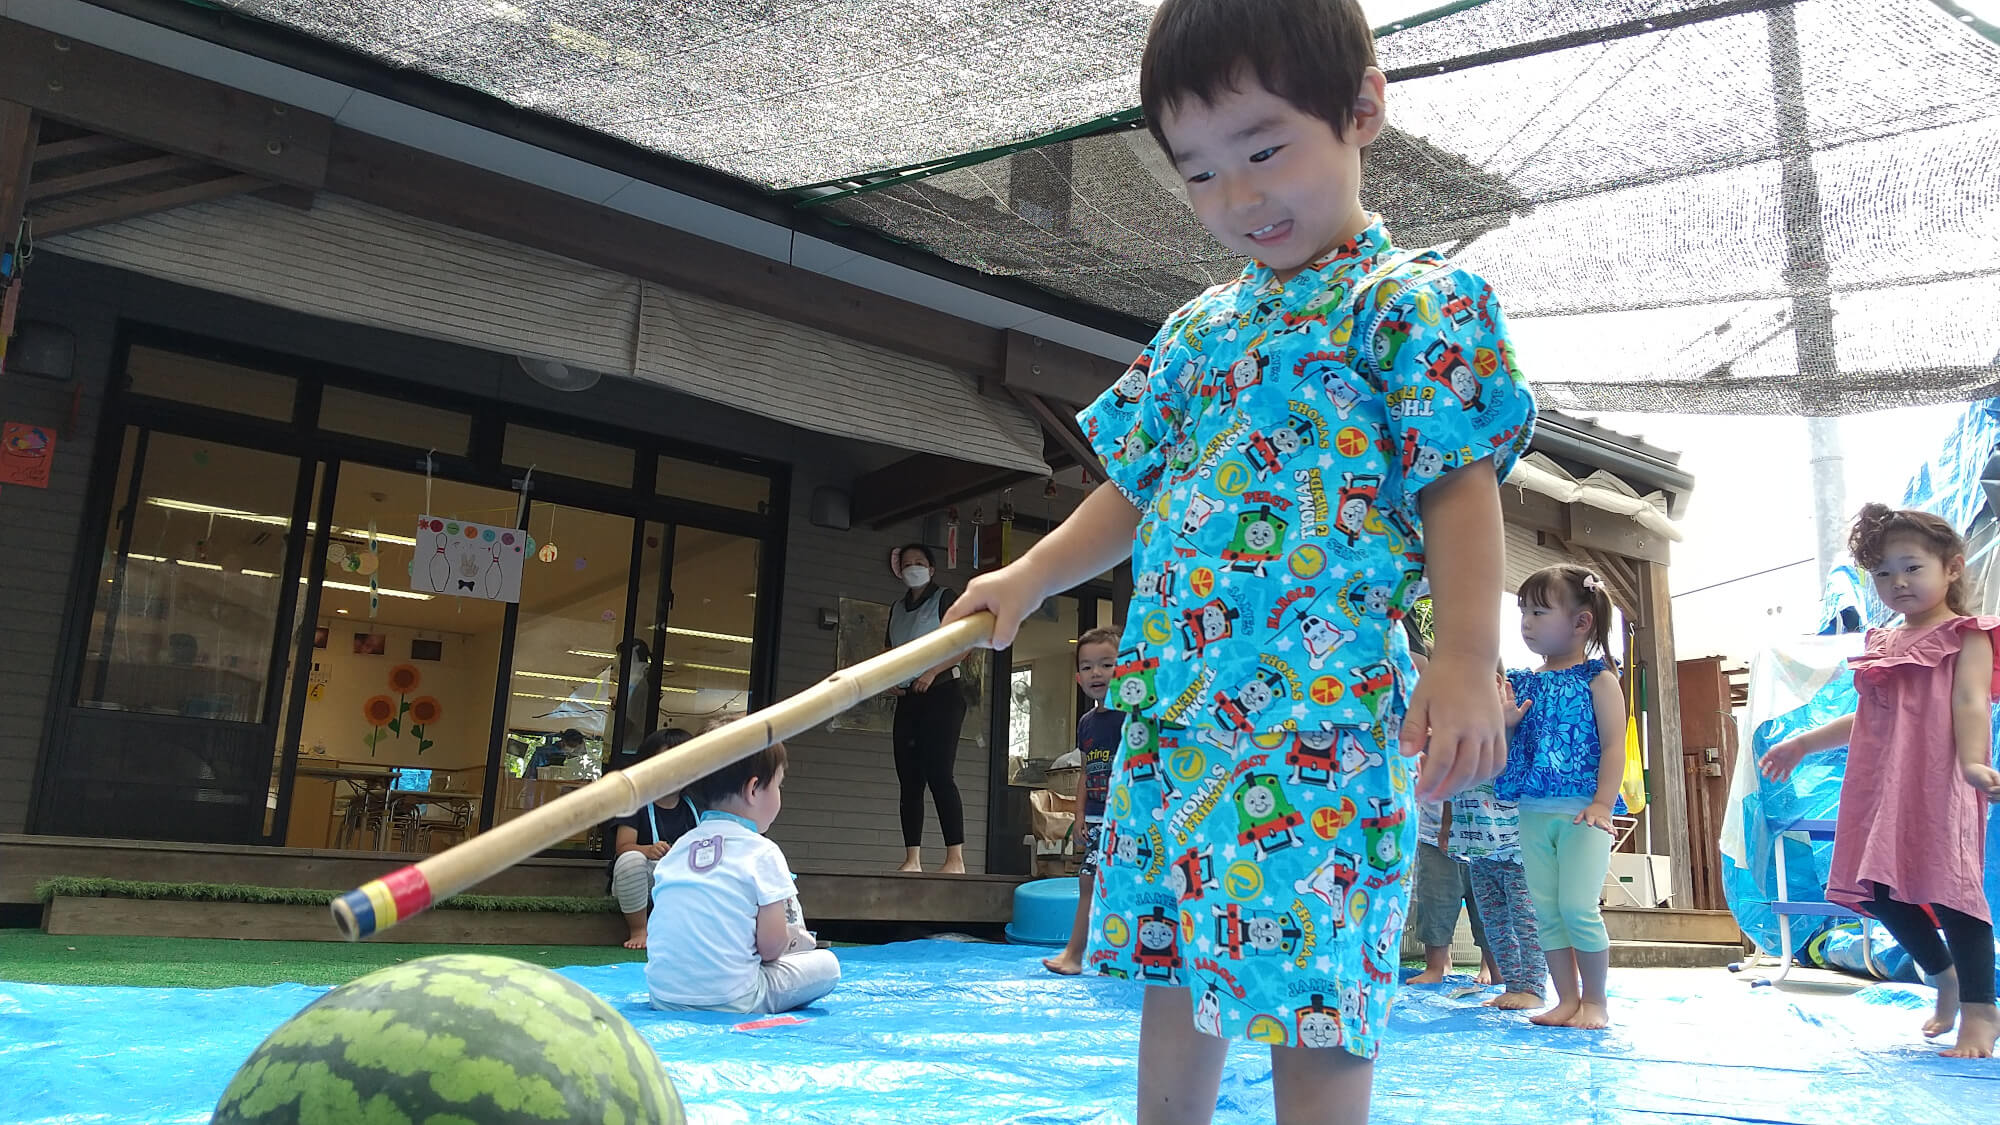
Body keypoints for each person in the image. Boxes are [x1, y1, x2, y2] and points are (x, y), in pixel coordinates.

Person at [944, 0, 1536, 1117]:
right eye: (1200, 174)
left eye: (1263, 150)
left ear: (1360, 109)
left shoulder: (1413, 305)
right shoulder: (1198, 330)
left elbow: (1459, 485)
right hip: (1177, 714)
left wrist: (1464, 657)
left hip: (1315, 720)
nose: (1239, 198)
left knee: (1309, 982)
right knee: (1171, 963)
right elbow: (1130, 490)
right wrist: (1028, 579)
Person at [1761, 503, 2000, 1059]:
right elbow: (1868, 716)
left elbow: (1970, 701)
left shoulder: (1969, 635)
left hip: (1940, 781)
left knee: (1956, 893)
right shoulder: (1883, 642)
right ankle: (1944, 979)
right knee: (1880, 891)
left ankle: (1982, 1014)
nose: (1898, 582)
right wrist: (1802, 742)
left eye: (1912, 567)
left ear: (1953, 568)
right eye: (1884, 573)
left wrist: (1970, 763)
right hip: (1879, 788)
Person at [1494, 565, 1626, 1030]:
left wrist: (1603, 804)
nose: (1526, 622)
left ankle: (1597, 1001)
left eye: (1539, 611)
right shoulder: (1523, 684)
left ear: (1581, 622)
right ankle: (1566, 999)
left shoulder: (1599, 680)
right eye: (1523, 612)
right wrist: (1505, 724)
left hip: (1583, 813)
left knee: (1577, 907)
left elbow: (1614, 745)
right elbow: (1509, 751)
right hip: (1533, 809)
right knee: (1547, 910)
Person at [644, 731, 840, 1014]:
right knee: (827, 966)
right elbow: (771, 948)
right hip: (734, 998)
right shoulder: (762, 852)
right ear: (753, 789)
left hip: (663, 997)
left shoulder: (680, 847)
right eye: (778, 786)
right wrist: (792, 939)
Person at [886, 542, 970, 874]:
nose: (913, 568)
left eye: (920, 562)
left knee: (939, 774)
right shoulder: (896, 608)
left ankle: (955, 858)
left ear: (932, 569)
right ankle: (912, 858)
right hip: (908, 700)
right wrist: (888, 678)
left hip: (943, 694)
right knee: (909, 779)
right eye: (907, 564)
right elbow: (888, 649)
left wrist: (933, 671)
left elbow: (965, 642)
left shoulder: (945, 598)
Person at [1045, 626, 1124, 975]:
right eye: (1088, 666)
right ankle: (1082, 953)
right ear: (1078, 677)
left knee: (1106, 882)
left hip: (1124, 818)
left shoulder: (1132, 718)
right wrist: (1078, 816)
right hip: (1094, 818)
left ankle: (1087, 954)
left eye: (1107, 664)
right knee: (1091, 881)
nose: (1097, 673)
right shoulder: (1087, 723)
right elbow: (1086, 772)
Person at [1452, 763, 1545, 1009]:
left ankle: (1534, 988)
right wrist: (1446, 829)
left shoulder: (1507, 736)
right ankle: (1513, 985)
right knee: (1494, 923)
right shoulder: (1459, 740)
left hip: (1516, 846)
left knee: (1526, 921)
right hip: (1478, 847)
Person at [607, 727, 699, 949]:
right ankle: (640, 930)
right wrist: (647, 850)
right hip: (644, 879)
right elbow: (623, 847)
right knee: (631, 859)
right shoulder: (634, 802)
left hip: (680, 880)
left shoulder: (697, 805)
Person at [1404, 798, 1496, 985]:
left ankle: (1489, 965)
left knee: (1489, 908)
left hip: (1489, 836)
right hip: (1435, 834)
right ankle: (1436, 966)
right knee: (1436, 903)